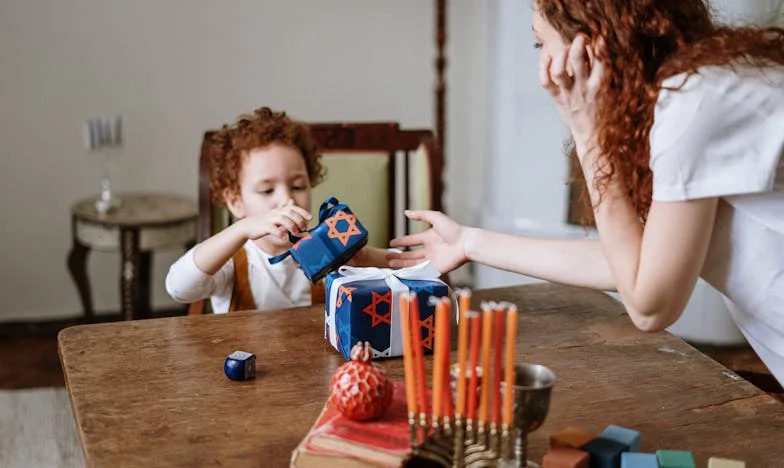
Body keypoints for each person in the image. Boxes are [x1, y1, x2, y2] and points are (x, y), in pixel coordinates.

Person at [388, 0, 784, 385]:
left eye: (540, 44)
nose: (542, 66)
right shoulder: (689, 92)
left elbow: (650, 307)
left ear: (588, 46)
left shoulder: (693, 103)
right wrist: (468, 242)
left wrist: (587, 133)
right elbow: (636, 265)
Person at [166, 107, 390, 313]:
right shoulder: (231, 262)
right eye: (266, 190)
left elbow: (399, 268)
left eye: (298, 186)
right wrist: (241, 229)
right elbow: (179, 288)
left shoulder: (325, 251)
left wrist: (365, 258)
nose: (287, 200)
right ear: (236, 203)